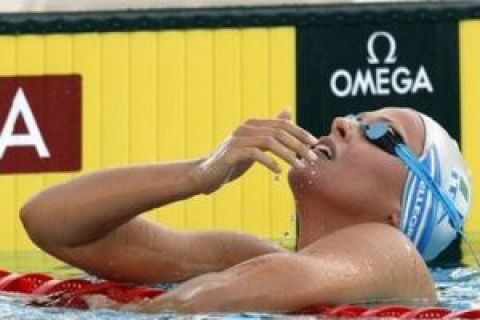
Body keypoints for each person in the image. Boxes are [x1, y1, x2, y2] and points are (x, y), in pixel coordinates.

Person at [20, 106, 471, 314]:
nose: (343, 124)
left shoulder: (392, 253)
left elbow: (218, 296)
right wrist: (199, 174)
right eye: (357, 116)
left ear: (402, 210)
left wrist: (132, 312)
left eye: (381, 134)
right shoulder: (253, 262)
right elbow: (50, 222)